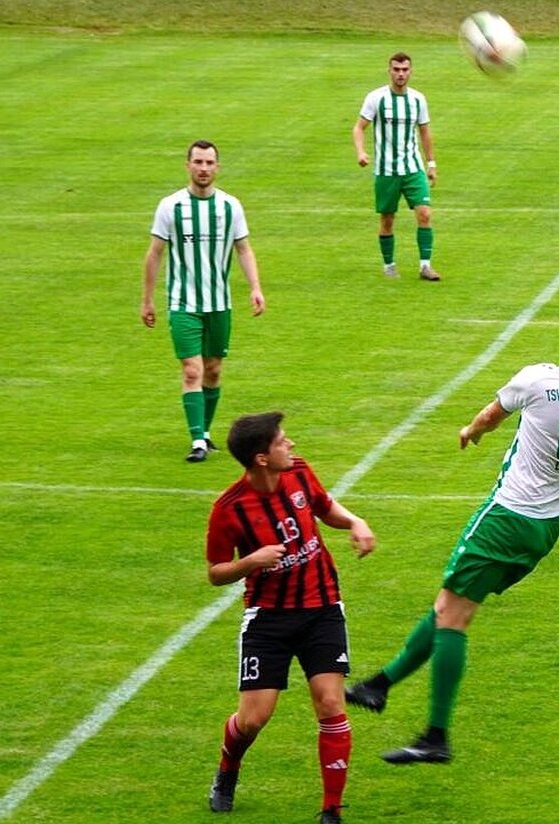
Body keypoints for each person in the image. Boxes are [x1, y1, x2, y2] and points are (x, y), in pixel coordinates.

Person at [344, 314, 559, 763]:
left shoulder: (537, 379)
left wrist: (470, 432)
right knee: (452, 605)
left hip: (506, 516)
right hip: (545, 529)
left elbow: (489, 416)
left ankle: (435, 736)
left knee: (452, 616)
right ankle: (379, 685)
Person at [205, 411, 376, 824]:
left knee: (331, 703)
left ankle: (331, 811)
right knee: (253, 719)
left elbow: (324, 507)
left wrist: (354, 521)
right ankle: (228, 770)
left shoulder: (299, 472)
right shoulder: (228, 509)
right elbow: (215, 573)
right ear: (261, 458)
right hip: (268, 621)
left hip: (322, 608)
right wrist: (252, 561)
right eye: (283, 441)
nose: (292, 445)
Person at [142, 140, 266, 463]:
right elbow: (155, 253)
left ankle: (205, 432)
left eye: (209, 163)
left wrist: (255, 287)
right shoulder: (170, 207)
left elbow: (243, 249)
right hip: (183, 303)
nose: (203, 169)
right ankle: (197, 439)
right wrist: (147, 300)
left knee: (213, 369)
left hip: (219, 303)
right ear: (187, 166)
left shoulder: (230, 207)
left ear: (217, 168)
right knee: (192, 370)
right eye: (198, 162)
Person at [352, 52, 441, 282]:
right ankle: (389, 265)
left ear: (410, 71)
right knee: (387, 220)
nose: (400, 74)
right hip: (386, 171)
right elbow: (359, 127)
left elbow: (424, 132)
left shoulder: (418, 99)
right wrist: (361, 152)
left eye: (405, 70)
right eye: (396, 69)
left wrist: (431, 163)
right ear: (389, 71)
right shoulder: (376, 98)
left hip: (413, 168)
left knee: (424, 213)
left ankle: (425, 266)